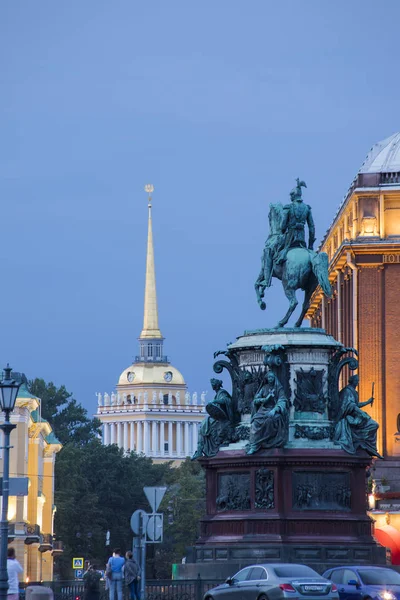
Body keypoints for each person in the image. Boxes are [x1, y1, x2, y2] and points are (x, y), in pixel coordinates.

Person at [334, 375, 382, 458]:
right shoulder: (347, 391)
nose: (358, 382)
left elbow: (356, 405)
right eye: (356, 380)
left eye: (358, 380)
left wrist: (367, 402)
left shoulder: (354, 392)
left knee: (374, 425)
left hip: (355, 416)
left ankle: (365, 444)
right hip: (347, 417)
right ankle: (361, 442)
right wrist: (362, 413)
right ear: (352, 381)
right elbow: (349, 405)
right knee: (373, 424)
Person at [192, 378, 238, 459]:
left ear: (216, 385)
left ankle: (201, 449)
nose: (212, 386)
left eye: (213, 385)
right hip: (219, 417)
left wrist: (215, 401)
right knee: (203, 425)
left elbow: (226, 400)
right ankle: (199, 450)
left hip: (224, 418)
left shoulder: (222, 392)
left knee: (206, 425)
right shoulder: (218, 393)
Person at [246, 371, 289, 454]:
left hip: (273, 409)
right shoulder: (264, 388)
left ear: (274, 378)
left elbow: (282, 400)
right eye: (269, 377)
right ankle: (254, 445)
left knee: (270, 421)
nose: (270, 379)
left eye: (272, 377)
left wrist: (275, 410)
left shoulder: (278, 388)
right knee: (255, 423)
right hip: (263, 410)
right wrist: (264, 400)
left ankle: (267, 441)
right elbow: (256, 399)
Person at [277, 178, 315, 264]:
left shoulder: (288, 207)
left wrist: (283, 230)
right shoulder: (307, 208)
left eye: (291, 195)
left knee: (277, 255)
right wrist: (310, 245)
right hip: (302, 240)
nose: (290, 197)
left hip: (290, 239)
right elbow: (312, 228)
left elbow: (282, 226)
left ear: (294, 195)